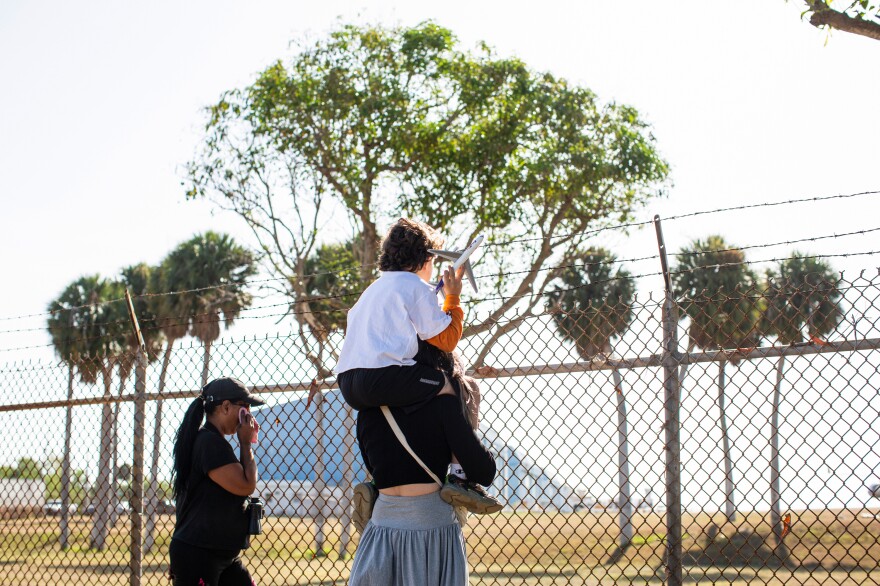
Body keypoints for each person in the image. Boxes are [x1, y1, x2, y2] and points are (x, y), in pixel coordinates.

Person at [333, 218, 500, 525]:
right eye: (434, 259)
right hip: (385, 375)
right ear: (426, 257)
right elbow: (447, 339)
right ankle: (460, 477)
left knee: (384, 408)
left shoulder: (373, 290)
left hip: (349, 381)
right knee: (449, 385)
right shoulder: (415, 287)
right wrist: (453, 296)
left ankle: (374, 482)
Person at [347, 377, 497, 586]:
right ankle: (458, 479)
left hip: (381, 527)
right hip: (431, 529)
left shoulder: (366, 411)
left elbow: (371, 465)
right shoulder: (444, 404)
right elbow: (484, 471)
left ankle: (373, 493)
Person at [168, 377, 264, 586]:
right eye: (244, 407)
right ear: (226, 407)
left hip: (221, 554)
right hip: (199, 553)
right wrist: (246, 444)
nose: (248, 414)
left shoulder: (211, 441)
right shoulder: (209, 443)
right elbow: (246, 484)